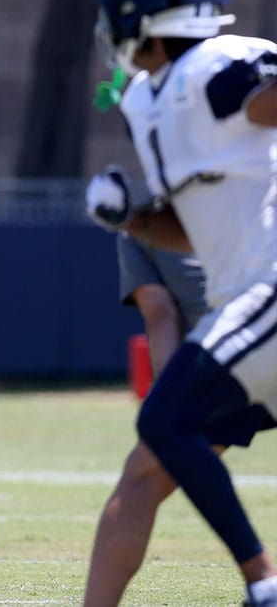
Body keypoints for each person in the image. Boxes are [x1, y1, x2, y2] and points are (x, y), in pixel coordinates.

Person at [85, 0, 277, 604]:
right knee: (146, 469)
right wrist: (132, 219)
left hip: (270, 296)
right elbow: (191, 232)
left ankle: (263, 581)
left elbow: (263, 99)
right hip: (247, 311)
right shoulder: (147, 99)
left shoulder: (220, 68)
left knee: (164, 421)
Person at [85, 234, 271, 604]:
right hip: (244, 350)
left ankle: (264, 582)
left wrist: (171, 408)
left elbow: (160, 314)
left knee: (140, 481)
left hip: (231, 355)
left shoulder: (137, 217)